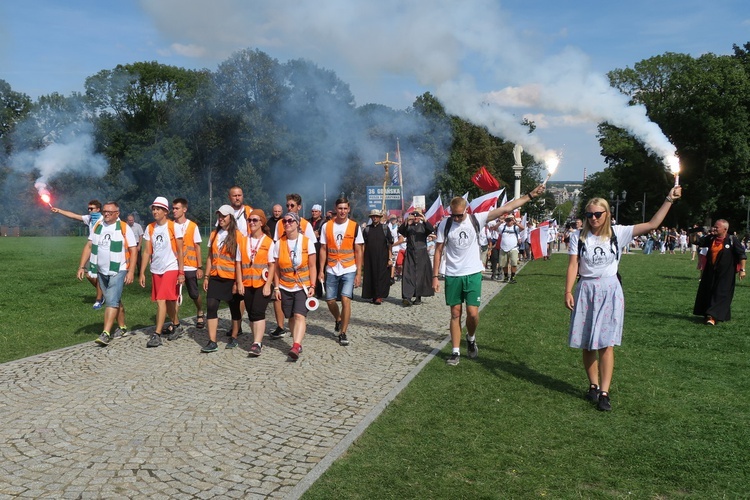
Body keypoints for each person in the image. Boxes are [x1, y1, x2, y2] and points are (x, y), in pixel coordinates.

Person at [565, 186, 682, 411]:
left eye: (598, 214)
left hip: (610, 289)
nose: (593, 218)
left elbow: (652, 224)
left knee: (606, 343)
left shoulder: (618, 232)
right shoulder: (578, 236)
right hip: (586, 288)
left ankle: (604, 392)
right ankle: (593, 385)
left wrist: (669, 199)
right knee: (587, 342)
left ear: (607, 214)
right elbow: (573, 265)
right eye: (589, 214)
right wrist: (568, 291)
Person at [433, 185, 546, 367]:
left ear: (466, 211)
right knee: (455, 313)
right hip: (453, 274)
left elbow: (507, 208)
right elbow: (438, 251)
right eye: (453, 215)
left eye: (459, 215)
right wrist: (435, 276)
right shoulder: (445, 225)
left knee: (472, 313)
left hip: (472, 273)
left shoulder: (477, 219)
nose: (456, 218)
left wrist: (531, 195)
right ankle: (455, 352)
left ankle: (470, 337)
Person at [76, 201, 138, 345]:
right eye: (104, 211)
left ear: (117, 213)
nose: (106, 214)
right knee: (114, 299)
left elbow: (134, 250)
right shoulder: (98, 225)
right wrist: (81, 266)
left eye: (110, 212)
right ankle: (122, 327)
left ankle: (105, 333)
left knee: (111, 300)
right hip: (101, 270)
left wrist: (131, 271)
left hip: (118, 269)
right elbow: (89, 245)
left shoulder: (124, 227)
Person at [270, 194, 317, 338]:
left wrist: (313, 284)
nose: (289, 208)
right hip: (285, 280)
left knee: (299, 315)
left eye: (292, 205)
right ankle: (281, 326)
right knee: (288, 313)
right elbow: (277, 252)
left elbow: (311, 258)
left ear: (299, 207)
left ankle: (296, 344)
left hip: (302, 281)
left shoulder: (306, 226)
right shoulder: (280, 225)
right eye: (287, 206)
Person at [140, 197, 184, 348]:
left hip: (170, 267)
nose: (155, 211)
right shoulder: (150, 228)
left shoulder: (174, 227)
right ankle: (177, 325)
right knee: (170, 301)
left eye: (158, 209)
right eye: (153, 209)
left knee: (161, 300)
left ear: (166, 211)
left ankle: (156, 334)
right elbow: (146, 252)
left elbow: (180, 251)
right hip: (156, 269)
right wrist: (142, 272)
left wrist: (181, 272)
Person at [318, 197, 364, 345]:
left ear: (348, 209)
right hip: (331, 267)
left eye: (345, 208)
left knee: (345, 299)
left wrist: (358, 273)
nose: (342, 211)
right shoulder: (327, 226)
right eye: (340, 208)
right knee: (330, 300)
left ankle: (343, 333)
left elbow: (358, 251)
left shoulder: (354, 226)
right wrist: (321, 270)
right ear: (335, 209)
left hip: (348, 267)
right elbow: (323, 249)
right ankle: (338, 319)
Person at [201, 205, 244, 353]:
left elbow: (241, 261)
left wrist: (238, 281)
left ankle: (234, 336)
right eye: (219, 215)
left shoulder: (238, 236)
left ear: (231, 218)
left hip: (231, 278)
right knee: (211, 306)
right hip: (215, 276)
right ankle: (212, 341)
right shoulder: (214, 234)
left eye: (224, 216)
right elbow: (210, 257)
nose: (221, 218)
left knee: (234, 308)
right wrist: (206, 276)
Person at [692, 219, 747, 325]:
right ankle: (709, 314)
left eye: (717, 227)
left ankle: (712, 317)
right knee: (709, 291)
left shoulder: (732, 240)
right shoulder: (711, 238)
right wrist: (693, 232)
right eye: (714, 226)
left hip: (726, 273)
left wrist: (742, 270)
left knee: (721, 294)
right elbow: (696, 241)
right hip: (711, 271)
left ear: (725, 229)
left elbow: (742, 255)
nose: (714, 228)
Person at [236, 209, 275, 356]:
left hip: (261, 283)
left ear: (262, 222)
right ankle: (256, 339)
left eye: (255, 220)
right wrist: (239, 283)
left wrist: (268, 285)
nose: (251, 223)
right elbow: (238, 263)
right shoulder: (243, 241)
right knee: (251, 314)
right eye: (249, 220)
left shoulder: (268, 242)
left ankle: (257, 343)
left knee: (258, 312)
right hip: (246, 283)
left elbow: (272, 265)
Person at [52, 200, 104, 308]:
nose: (89, 210)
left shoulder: (103, 220)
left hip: (103, 251)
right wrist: (59, 210)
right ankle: (105, 293)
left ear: (98, 209)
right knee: (90, 275)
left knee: (99, 276)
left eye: (92, 209)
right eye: (88, 208)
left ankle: (99, 299)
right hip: (93, 250)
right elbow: (74, 216)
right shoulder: (90, 219)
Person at [172, 198, 205, 331]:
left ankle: (200, 311)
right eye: (173, 208)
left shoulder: (192, 226)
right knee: (175, 295)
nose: (173, 211)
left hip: (190, 265)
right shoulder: (170, 225)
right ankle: (175, 322)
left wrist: (199, 267)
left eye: (177, 208)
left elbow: (197, 247)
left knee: (193, 293)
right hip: (174, 266)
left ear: (184, 210)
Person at [396, 209, 434, 306]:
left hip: (421, 253)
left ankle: (418, 296)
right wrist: (406, 221)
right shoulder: (409, 227)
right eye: (414, 216)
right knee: (408, 274)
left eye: (418, 216)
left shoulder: (423, 226)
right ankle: (407, 297)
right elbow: (401, 231)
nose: (416, 218)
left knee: (420, 275)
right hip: (410, 252)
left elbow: (431, 229)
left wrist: (424, 219)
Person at [361, 209, 393, 305]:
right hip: (369, 257)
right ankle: (372, 295)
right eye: (373, 216)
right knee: (371, 276)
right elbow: (363, 244)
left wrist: (390, 258)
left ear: (380, 217)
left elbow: (390, 244)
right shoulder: (367, 229)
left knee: (381, 277)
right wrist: (362, 258)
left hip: (382, 257)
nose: (375, 218)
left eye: (377, 216)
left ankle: (379, 296)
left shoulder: (385, 228)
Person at [497, 215, 525, 283]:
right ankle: (506, 277)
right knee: (504, 264)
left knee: (514, 263)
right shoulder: (503, 227)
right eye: (507, 220)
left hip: (513, 248)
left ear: (513, 220)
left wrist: (516, 223)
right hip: (503, 248)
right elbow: (494, 228)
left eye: (510, 220)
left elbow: (523, 228)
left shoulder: (516, 228)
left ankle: (512, 277)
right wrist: (500, 222)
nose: (508, 222)